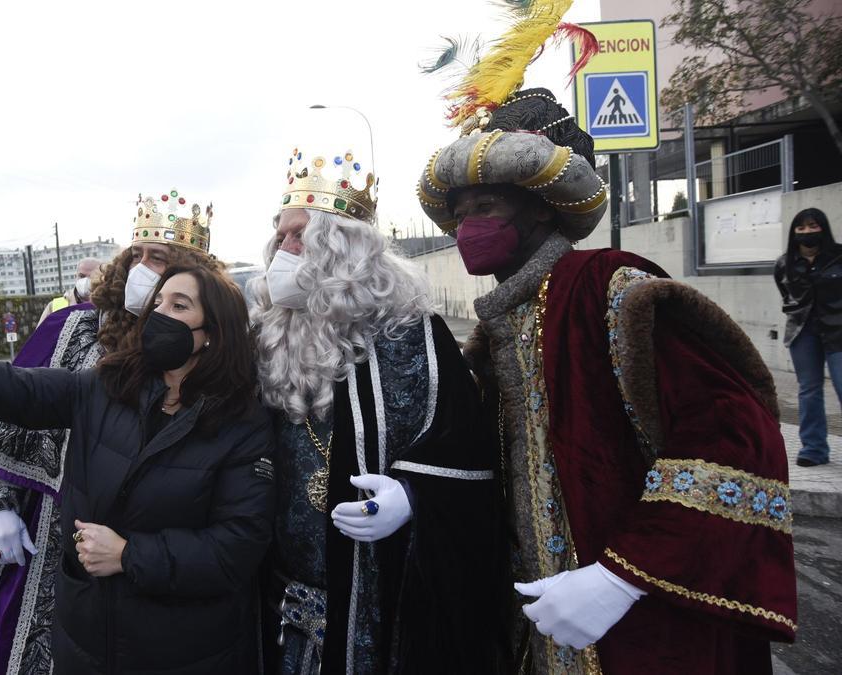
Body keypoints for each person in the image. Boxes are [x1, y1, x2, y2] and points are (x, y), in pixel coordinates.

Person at [416, 11, 797, 671]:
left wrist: (624, 573)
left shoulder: (612, 294)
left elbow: (739, 439)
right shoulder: (491, 335)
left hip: (637, 635)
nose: (470, 223)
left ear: (543, 204)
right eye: (462, 208)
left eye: (489, 203)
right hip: (533, 634)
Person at [0, 261, 275, 674]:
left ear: (213, 334)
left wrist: (129, 555)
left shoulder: (242, 423)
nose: (160, 313)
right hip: (86, 644)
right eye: (158, 303)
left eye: (179, 306)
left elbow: (236, 548)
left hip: (186, 651)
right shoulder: (105, 388)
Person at [251, 147, 504, 673]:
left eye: (299, 235)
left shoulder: (415, 336)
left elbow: (471, 456)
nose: (284, 249)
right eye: (280, 236)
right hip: (284, 606)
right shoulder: (268, 340)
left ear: (340, 248)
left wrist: (415, 496)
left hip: (380, 600)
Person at [0, 191, 222, 675]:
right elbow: (6, 403)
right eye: (136, 254)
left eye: (158, 259)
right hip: (49, 537)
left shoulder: (206, 354)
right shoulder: (73, 329)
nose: (142, 268)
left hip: (144, 555)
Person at [775, 207, 841, 467]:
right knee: (809, 390)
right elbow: (786, 294)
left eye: (812, 226)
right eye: (800, 228)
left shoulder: (838, 257)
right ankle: (814, 449)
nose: (807, 232)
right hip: (803, 332)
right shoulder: (785, 263)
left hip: (838, 330)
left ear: (822, 228)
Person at [38, 257, 102, 326]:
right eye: (81, 276)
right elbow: (40, 335)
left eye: (92, 277)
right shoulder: (55, 307)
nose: (86, 280)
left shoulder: (108, 307)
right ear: (76, 277)